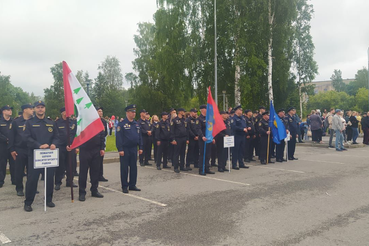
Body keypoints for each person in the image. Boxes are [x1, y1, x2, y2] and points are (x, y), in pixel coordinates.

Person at [23, 101, 59, 212]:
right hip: (35, 156)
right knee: (32, 180)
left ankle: (48, 200)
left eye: (42, 107)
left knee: (49, 179)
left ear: (45, 109)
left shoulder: (51, 123)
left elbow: (57, 136)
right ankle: (28, 202)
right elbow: (26, 138)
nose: (40, 109)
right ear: (34, 109)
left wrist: (54, 144)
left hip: (48, 157)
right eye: (38, 107)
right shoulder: (29, 123)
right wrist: (38, 145)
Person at [76, 111, 106, 202]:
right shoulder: (82, 122)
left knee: (95, 172)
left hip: (96, 150)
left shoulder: (97, 122)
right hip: (85, 150)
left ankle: (94, 190)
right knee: (83, 172)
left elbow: (102, 136)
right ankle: (82, 192)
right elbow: (77, 134)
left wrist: (102, 148)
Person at [116, 104, 143, 193]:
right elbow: (119, 138)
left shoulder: (136, 124)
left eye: (134, 112)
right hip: (125, 149)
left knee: (133, 167)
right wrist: (120, 149)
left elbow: (139, 136)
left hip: (134, 148)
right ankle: (124, 186)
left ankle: (132, 184)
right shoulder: (122, 124)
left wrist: (141, 147)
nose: (134, 113)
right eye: (132, 112)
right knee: (124, 168)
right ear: (127, 113)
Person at [8, 104, 34, 195]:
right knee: (19, 170)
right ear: (24, 110)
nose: (32, 110)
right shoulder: (16, 122)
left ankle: (31, 187)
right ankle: (19, 188)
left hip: (31, 149)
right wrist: (12, 149)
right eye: (30, 109)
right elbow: (11, 136)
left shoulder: (33, 121)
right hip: (20, 149)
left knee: (31, 171)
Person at [54, 107, 78, 190]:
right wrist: (62, 145)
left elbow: (75, 135)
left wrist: (75, 146)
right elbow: (56, 135)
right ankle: (58, 182)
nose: (67, 113)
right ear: (62, 113)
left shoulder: (73, 122)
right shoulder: (57, 123)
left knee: (71, 165)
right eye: (65, 111)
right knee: (60, 166)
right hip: (61, 147)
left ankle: (69, 181)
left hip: (71, 147)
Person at [196, 105, 215, 175]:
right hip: (203, 139)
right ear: (202, 110)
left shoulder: (209, 118)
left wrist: (212, 137)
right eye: (205, 109)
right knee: (202, 154)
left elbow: (211, 128)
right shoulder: (199, 119)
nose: (207, 110)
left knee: (208, 154)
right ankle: (201, 169)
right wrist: (202, 136)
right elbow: (198, 129)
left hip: (209, 138)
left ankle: (207, 168)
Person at [0, 105, 15, 188]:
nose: (10, 111)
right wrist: (6, 139)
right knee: (2, 163)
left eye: (10, 110)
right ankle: (1, 180)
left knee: (14, 163)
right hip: (2, 145)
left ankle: (14, 180)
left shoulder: (13, 121)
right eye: (8, 110)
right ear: (3, 111)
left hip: (12, 145)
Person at [171, 108, 189, 173]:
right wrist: (173, 139)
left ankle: (182, 166)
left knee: (183, 153)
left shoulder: (184, 120)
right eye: (183, 111)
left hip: (184, 138)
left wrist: (187, 138)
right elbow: (172, 131)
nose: (184, 112)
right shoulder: (175, 120)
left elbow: (186, 130)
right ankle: (175, 167)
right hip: (177, 138)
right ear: (180, 112)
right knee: (176, 153)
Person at [231, 105, 249, 169]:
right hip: (237, 136)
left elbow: (244, 125)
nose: (241, 111)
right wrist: (242, 129)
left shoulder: (242, 118)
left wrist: (246, 128)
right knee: (235, 150)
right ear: (237, 111)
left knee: (241, 150)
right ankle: (234, 164)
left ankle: (241, 163)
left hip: (242, 135)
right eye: (240, 110)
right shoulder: (234, 118)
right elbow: (234, 127)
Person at [97, 107, 108, 182]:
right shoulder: (94, 121)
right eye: (99, 111)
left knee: (100, 160)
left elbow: (105, 132)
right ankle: (95, 176)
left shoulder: (103, 121)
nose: (101, 112)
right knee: (95, 162)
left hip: (101, 142)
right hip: (95, 143)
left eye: (101, 111)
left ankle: (100, 175)